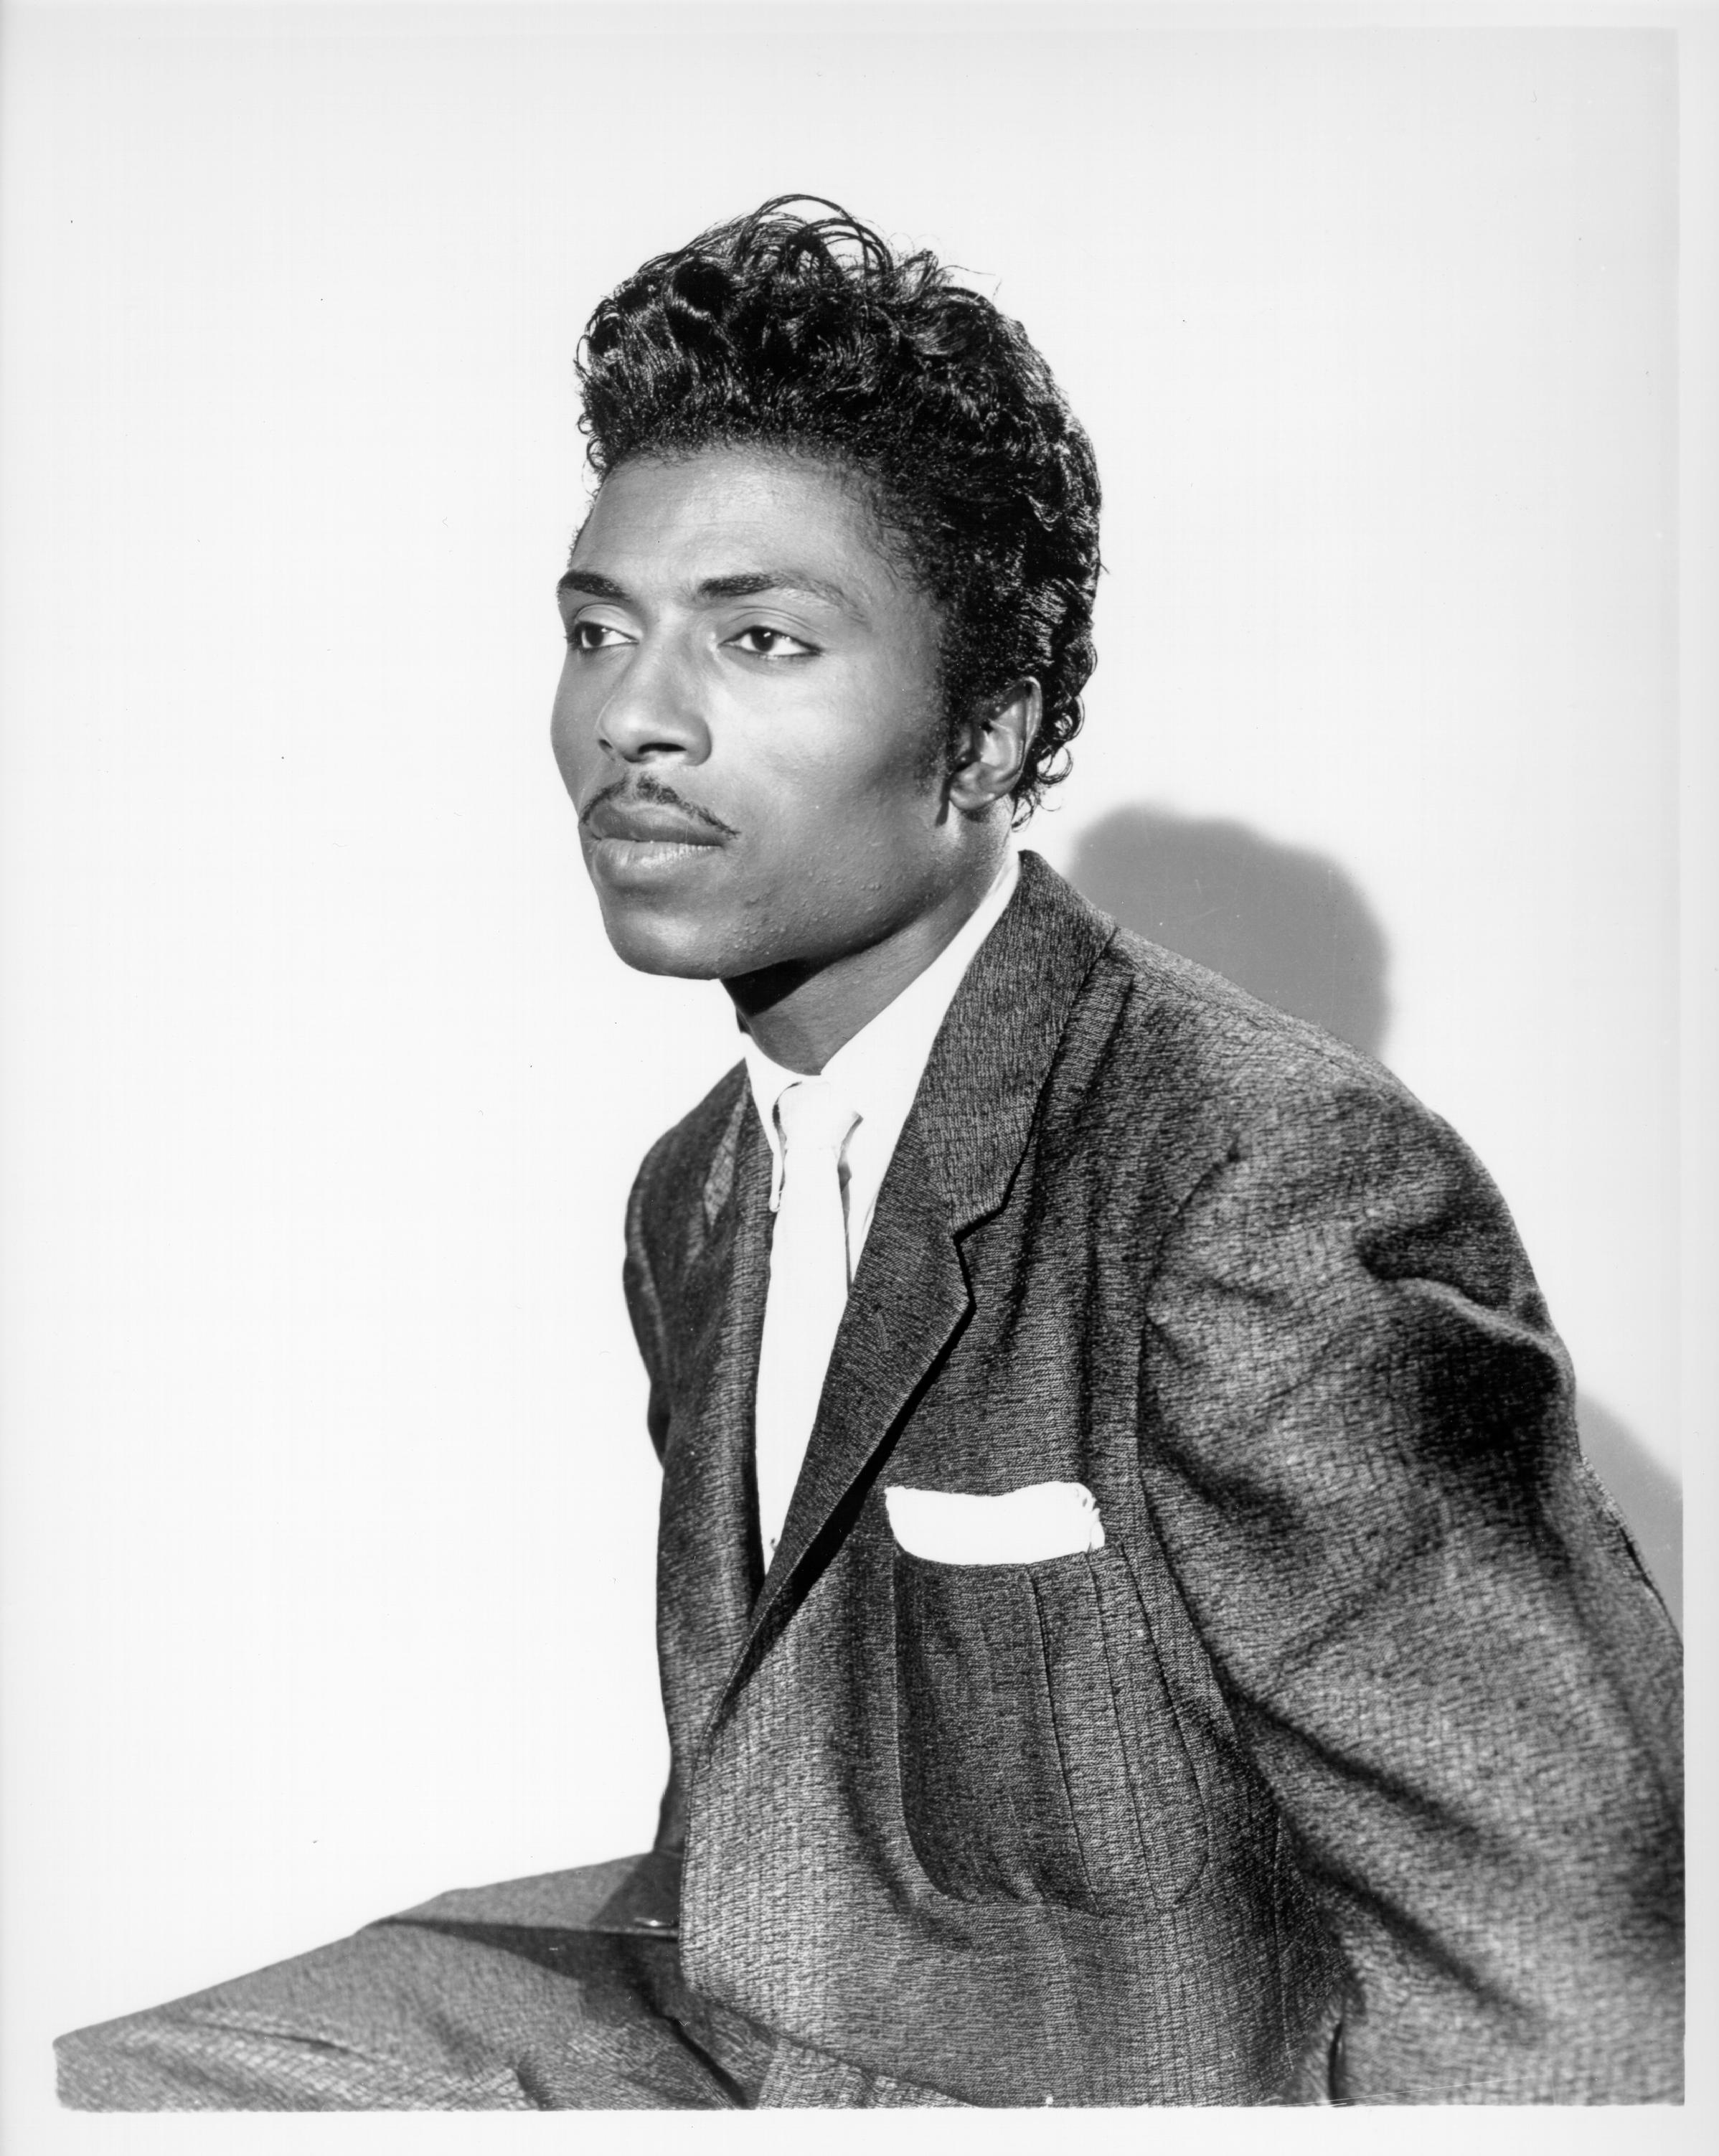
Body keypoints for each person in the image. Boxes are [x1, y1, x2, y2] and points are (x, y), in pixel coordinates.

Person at [57, 197, 1682, 2110]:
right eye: (598, 632)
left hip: (1092, 2096)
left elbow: (1560, 1955)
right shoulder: (697, 1194)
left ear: (985, 731)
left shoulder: (1258, 1178)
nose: (632, 722)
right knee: (108, 2083)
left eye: (757, 638)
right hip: (748, 2024)